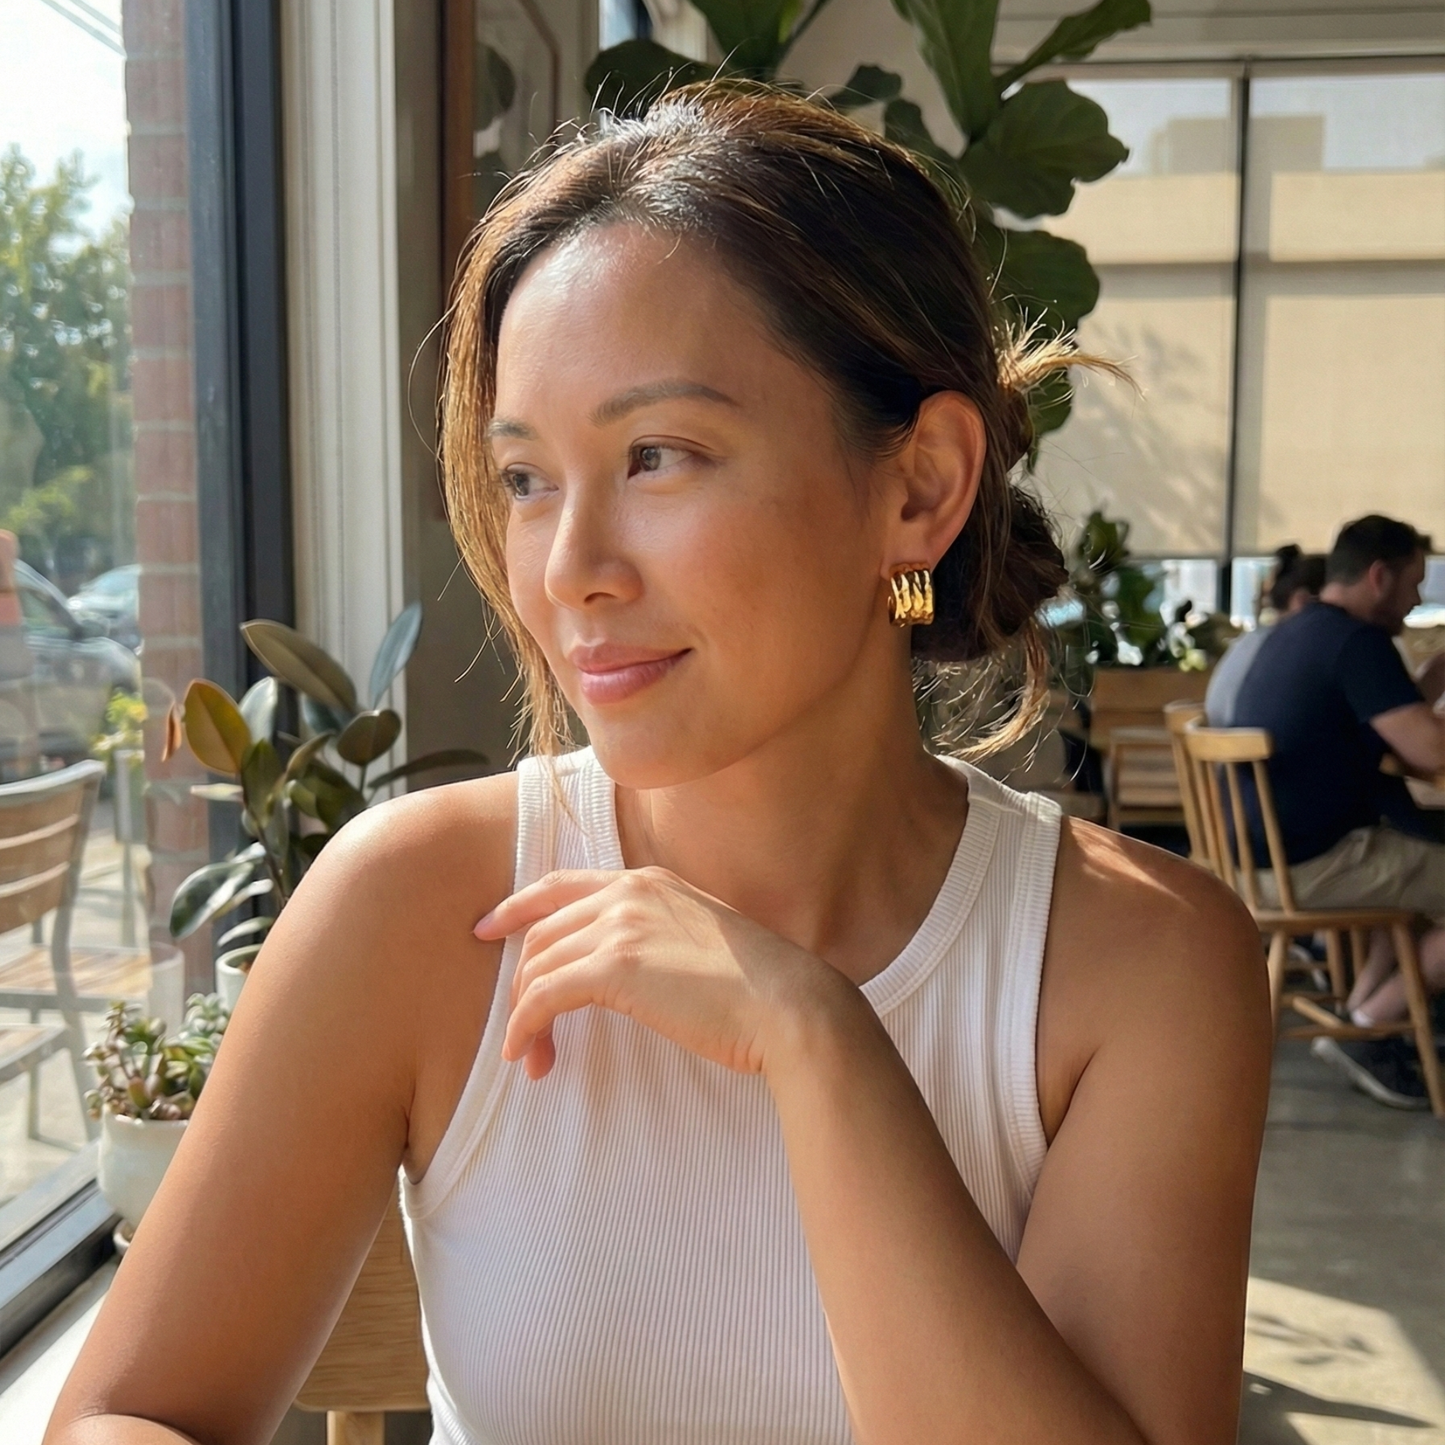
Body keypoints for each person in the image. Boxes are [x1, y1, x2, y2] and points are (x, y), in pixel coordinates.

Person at [47, 87, 1269, 1445]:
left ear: (918, 486)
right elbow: (126, 1416)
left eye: (657, 456)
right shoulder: (416, 906)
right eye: (525, 479)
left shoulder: (1141, 969)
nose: (569, 572)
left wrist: (817, 1044)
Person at [1232, 514, 1445, 1108]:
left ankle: (1362, 1013)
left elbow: (1388, 720)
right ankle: (1369, 1028)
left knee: (1416, 863)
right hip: (1316, 863)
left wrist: (1433, 678)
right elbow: (1427, 747)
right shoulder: (1358, 643)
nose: (1418, 598)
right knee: (1420, 853)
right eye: (1414, 583)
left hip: (1264, 858)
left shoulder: (1301, 631)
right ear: (1379, 577)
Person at [1205, 544, 1326, 726]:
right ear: (1302, 601)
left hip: (1216, 748)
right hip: (1251, 750)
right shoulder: (1290, 649)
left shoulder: (1253, 641)